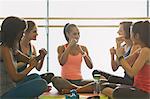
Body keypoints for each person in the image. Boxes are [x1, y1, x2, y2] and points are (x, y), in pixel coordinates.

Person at [0, 16, 47, 99]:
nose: (23, 35)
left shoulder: (12, 48)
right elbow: (15, 77)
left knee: (36, 76)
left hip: (12, 86)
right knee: (41, 84)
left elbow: (30, 60)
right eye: (22, 32)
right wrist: (31, 67)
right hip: (4, 93)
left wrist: (41, 56)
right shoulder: (4, 49)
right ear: (14, 33)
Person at [102, 21, 150, 99]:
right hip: (136, 88)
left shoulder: (146, 51)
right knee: (104, 87)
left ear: (137, 36)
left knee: (114, 91)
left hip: (144, 93)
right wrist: (118, 52)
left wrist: (120, 56)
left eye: (131, 33)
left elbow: (132, 73)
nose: (130, 36)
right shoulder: (140, 50)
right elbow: (123, 63)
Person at [52, 23, 94, 94]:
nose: (77, 36)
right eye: (74, 34)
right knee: (55, 79)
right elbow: (62, 62)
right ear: (68, 34)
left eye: (78, 34)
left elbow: (90, 66)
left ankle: (73, 89)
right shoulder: (61, 48)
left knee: (98, 83)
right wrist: (69, 47)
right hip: (66, 81)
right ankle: (81, 89)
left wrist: (82, 53)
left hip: (80, 81)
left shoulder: (83, 48)